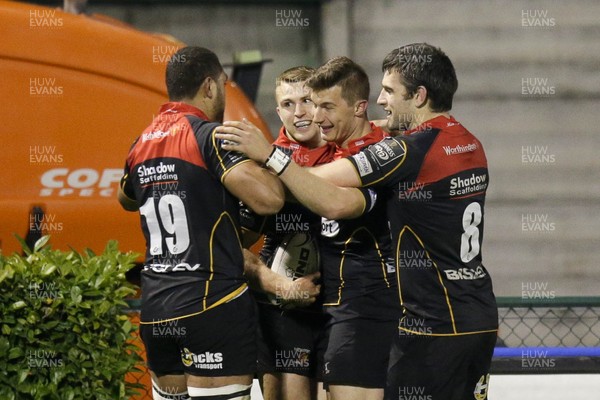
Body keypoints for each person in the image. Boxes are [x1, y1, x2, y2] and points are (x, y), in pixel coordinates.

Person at [215, 43, 499, 400]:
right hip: (479, 314)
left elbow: (333, 193)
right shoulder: (467, 141)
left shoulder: (404, 151)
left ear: (420, 95)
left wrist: (270, 157)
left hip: (432, 322)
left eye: (391, 91)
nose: (383, 99)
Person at [118, 46, 292, 400]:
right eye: (225, 87)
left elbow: (126, 199)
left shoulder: (142, 143)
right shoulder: (209, 136)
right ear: (210, 86)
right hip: (211, 306)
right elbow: (269, 200)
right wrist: (267, 156)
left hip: (156, 310)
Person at [241, 66, 335, 400]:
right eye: (288, 103)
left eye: (307, 100)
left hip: (341, 311)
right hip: (283, 312)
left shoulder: (348, 152)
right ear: (278, 110)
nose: (299, 113)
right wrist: (278, 284)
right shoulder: (262, 168)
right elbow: (231, 245)